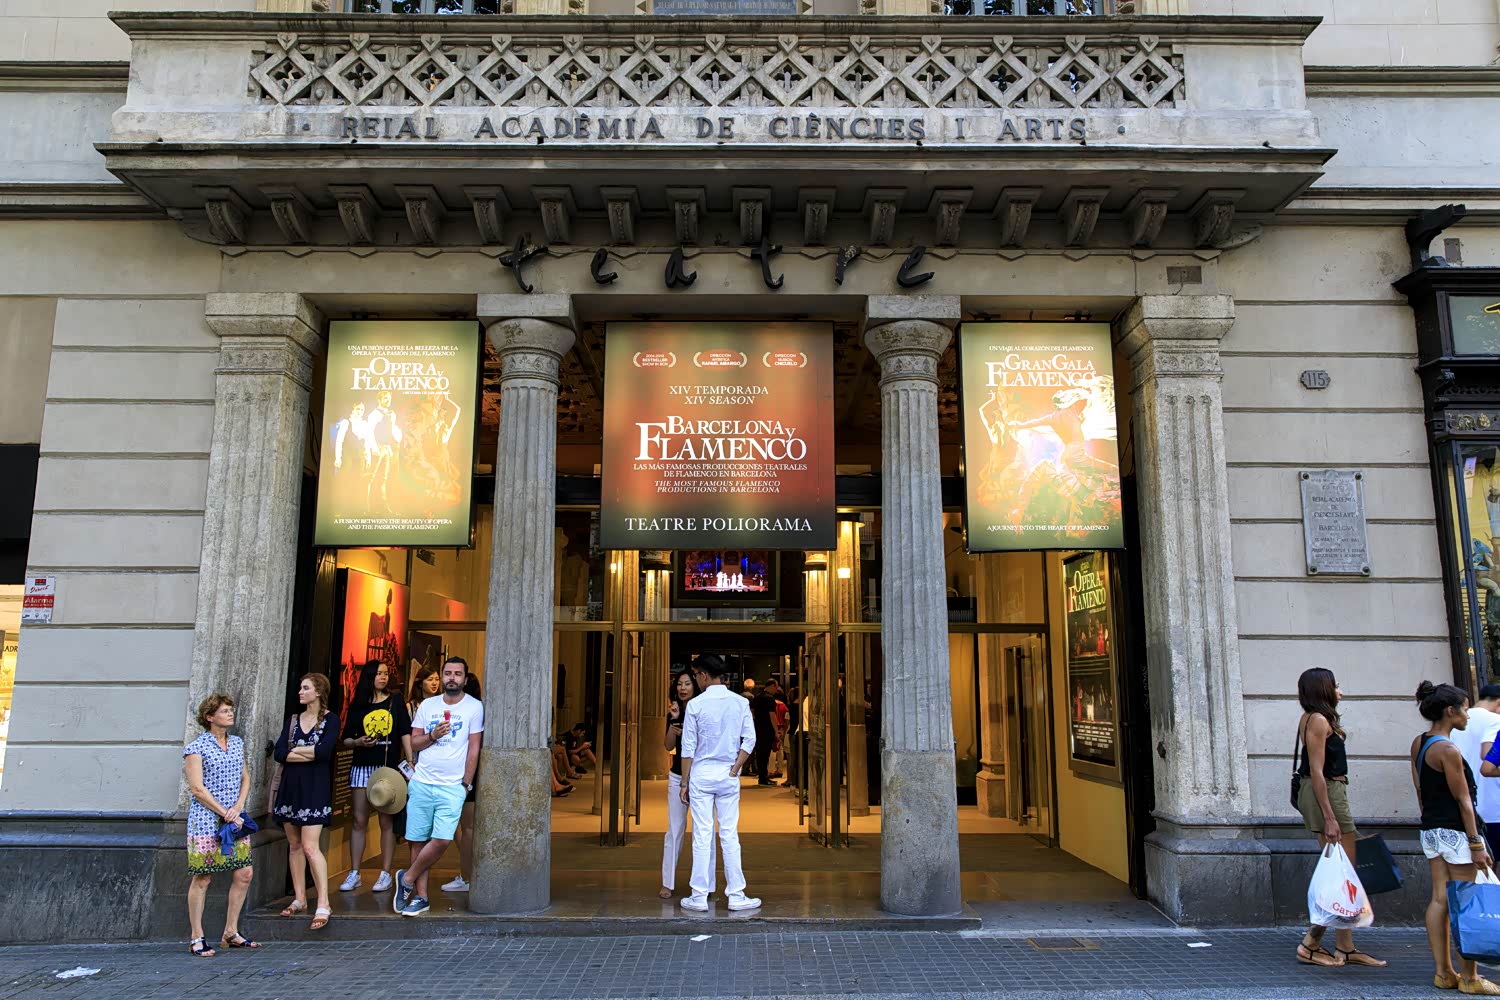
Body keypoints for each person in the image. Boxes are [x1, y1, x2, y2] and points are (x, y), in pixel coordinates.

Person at [1291, 668, 1385, 969]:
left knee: (1345, 874)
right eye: (1336, 686)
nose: (1340, 691)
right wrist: (1330, 817)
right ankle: (1311, 943)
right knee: (1343, 876)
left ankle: (1345, 946)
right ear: (1323, 690)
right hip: (1328, 792)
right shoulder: (1318, 720)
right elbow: (1317, 771)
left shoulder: (1314, 718)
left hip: (1330, 791)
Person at [1411, 680, 1500, 994]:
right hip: (1457, 833)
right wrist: (1477, 844)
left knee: (1440, 899)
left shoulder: (1420, 742)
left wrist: (1431, 823)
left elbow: (1421, 790)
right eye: (1463, 709)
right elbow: (1464, 801)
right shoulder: (1448, 750)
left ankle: (1444, 973)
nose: (1468, 715)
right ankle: (1470, 978)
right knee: (1465, 901)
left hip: (1432, 830)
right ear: (1450, 711)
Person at [395, 656, 483, 917]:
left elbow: (474, 748)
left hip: (452, 785)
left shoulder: (474, 707)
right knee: (417, 841)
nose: (451, 678)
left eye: (457, 674)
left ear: (465, 679)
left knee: (443, 840)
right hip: (422, 781)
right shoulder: (427, 706)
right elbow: (414, 743)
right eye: (448, 673)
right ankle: (421, 898)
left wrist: (465, 784)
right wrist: (433, 735)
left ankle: (406, 878)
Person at [679, 654, 760, 912]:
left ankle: (699, 895)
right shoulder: (739, 702)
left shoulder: (695, 705)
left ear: (703, 675)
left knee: (702, 835)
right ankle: (736, 894)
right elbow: (750, 739)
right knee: (729, 834)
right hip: (727, 775)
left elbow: (688, 747)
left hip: (701, 775)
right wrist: (735, 768)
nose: (695, 680)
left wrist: (684, 783)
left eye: (696, 675)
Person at [183, 693, 258, 957]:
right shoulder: (196, 748)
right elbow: (197, 789)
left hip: (235, 818)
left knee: (244, 873)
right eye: (224, 711)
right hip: (206, 820)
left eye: (230, 710)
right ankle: (196, 936)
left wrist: (238, 806)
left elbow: (245, 778)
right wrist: (225, 812)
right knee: (203, 877)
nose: (230, 713)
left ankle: (231, 931)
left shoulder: (237, 743)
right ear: (209, 717)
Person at [338, 660, 414, 895]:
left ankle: (385, 872)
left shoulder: (395, 701)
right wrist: (358, 742)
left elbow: (405, 732)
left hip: (386, 768)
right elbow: (346, 738)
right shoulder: (358, 704)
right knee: (359, 820)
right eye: (379, 673)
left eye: (386, 673)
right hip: (361, 765)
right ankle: (355, 872)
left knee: (386, 821)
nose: (383, 677)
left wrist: (410, 760)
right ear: (369, 676)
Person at [271, 673, 340, 931]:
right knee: (294, 845)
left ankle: (323, 902)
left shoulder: (331, 719)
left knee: (311, 847)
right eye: (301, 688)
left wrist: (296, 751)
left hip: (315, 788)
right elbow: (280, 753)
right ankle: (300, 898)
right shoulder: (292, 720)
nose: (300, 692)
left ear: (318, 692)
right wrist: (306, 753)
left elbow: (324, 752)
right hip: (291, 787)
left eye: (305, 688)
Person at [661, 667, 713, 899]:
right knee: (674, 829)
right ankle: (667, 882)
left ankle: (705, 884)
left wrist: (692, 735)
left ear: (696, 686)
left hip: (699, 777)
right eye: (679, 684)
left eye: (687, 684)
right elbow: (668, 746)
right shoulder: (675, 711)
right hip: (676, 777)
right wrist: (673, 725)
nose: (682, 688)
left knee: (704, 832)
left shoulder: (703, 710)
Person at [441, 675, 484, 894]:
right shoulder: (480, 711)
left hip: (463, 773)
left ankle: (467, 877)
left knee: (466, 828)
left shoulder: (469, 712)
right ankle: (469, 874)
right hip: (473, 773)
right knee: (467, 827)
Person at [1460, 684, 1500, 860]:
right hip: (1493, 804)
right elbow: (1487, 757)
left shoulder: (1457, 720)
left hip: (1467, 804)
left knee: (1481, 865)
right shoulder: (1495, 720)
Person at [750, 679, 779, 787]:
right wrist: (776, 730)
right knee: (765, 754)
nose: (776, 690)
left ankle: (762, 776)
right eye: (776, 687)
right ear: (772, 686)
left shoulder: (757, 697)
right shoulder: (770, 699)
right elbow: (772, 716)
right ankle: (763, 778)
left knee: (759, 753)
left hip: (757, 728)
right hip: (767, 729)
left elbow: (752, 712)